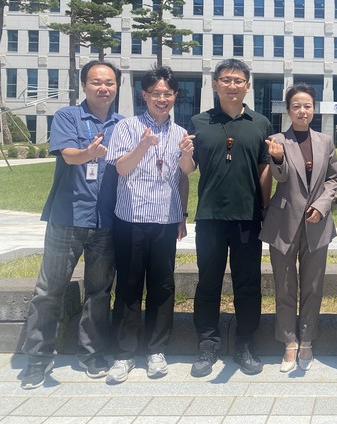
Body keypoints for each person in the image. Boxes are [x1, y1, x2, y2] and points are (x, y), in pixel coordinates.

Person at [20, 60, 123, 389]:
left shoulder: (123, 125)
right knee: (49, 291)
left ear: (117, 87)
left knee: (99, 292)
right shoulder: (68, 116)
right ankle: (38, 358)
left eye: (109, 82)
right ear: (84, 85)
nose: (103, 88)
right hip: (68, 217)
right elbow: (68, 155)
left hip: (106, 221)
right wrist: (88, 152)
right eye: (96, 82)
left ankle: (92, 353)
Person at [104, 67, 195, 383]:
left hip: (166, 220)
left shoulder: (180, 132)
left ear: (175, 96)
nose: (162, 99)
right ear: (144, 95)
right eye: (156, 93)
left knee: (163, 285)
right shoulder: (127, 127)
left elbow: (185, 174)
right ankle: (124, 353)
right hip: (131, 218)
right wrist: (142, 146)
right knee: (129, 285)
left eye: (168, 93)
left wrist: (182, 215)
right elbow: (120, 168)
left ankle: (157, 350)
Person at [187, 58, 272, 377]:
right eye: (226, 80)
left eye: (238, 80)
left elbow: (264, 169)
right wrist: (183, 155)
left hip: (248, 218)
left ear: (248, 86)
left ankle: (245, 343)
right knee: (207, 282)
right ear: (215, 84)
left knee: (248, 283)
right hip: (210, 216)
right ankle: (207, 344)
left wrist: (265, 208)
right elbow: (188, 167)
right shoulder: (199, 122)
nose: (232, 85)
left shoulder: (260, 123)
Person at [261, 83, 337, 373]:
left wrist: (322, 205)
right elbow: (280, 177)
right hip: (283, 222)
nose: (302, 111)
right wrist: (277, 157)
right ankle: (289, 342)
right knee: (284, 286)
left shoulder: (326, 141)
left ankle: (306, 340)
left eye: (307, 106)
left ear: (314, 109)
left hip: (317, 223)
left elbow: (333, 178)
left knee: (313, 286)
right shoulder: (277, 140)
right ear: (288, 110)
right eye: (296, 106)